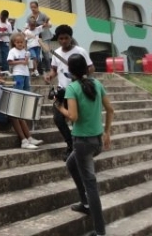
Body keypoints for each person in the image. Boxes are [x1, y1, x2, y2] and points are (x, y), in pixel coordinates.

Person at [54, 53, 114, 236]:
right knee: (71, 164)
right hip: (96, 141)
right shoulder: (97, 84)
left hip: (82, 142)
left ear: (70, 71)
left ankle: (100, 231)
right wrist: (107, 132)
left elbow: (73, 117)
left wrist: (59, 107)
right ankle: (85, 203)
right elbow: (110, 109)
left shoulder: (73, 88)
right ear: (87, 68)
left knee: (91, 185)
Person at [43, 24, 95, 161]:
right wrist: (49, 75)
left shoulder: (80, 51)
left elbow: (91, 68)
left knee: (75, 120)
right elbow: (54, 70)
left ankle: (79, 147)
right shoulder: (57, 53)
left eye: (66, 38)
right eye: (61, 38)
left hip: (78, 91)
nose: (64, 41)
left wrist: (82, 76)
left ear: (71, 38)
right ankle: (71, 144)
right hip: (62, 91)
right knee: (58, 118)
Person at [0, 74, 43, 150]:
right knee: (12, 115)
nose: (0, 77)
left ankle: (30, 138)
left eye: (0, 76)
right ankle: (24, 141)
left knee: (18, 114)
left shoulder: (1, 88)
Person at [28, 1, 52, 74]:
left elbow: (49, 23)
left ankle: (48, 69)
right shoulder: (30, 17)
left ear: (37, 7)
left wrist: (46, 23)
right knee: (37, 55)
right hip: (36, 38)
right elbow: (26, 25)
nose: (33, 9)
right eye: (31, 7)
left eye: (34, 7)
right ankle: (39, 70)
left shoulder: (42, 15)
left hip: (44, 36)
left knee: (45, 52)